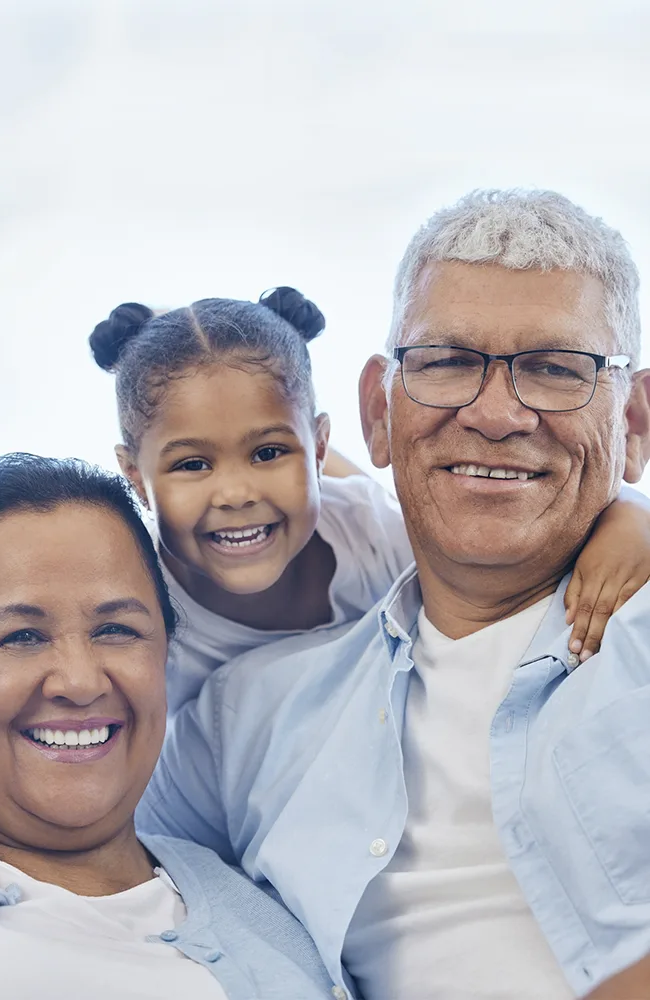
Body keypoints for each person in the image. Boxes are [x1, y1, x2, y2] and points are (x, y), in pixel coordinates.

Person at [126, 190, 650, 1000]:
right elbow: (57, 841)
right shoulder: (239, 721)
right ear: (379, 413)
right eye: (446, 362)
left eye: (556, 369)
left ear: (635, 423)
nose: (498, 413)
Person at [88, 285, 647, 712]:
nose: (235, 494)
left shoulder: (369, 530)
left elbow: (512, 542)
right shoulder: (137, 612)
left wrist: (628, 515)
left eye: (267, 454)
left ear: (320, 446)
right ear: (135, 477)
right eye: (192, 464)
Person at [0, 453, 345, 1000]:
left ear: (166, 657)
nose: (80, 682)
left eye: (116, 629)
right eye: (22, 637)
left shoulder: (265, 880)